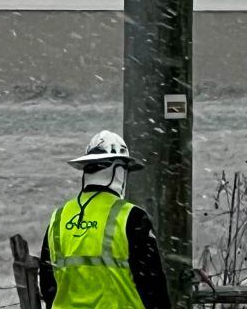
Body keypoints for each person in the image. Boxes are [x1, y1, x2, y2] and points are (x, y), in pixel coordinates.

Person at [39, 131, 171, 309]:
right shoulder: (132, 217)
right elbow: (153, 285)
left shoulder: (59, 218)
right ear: (118, 171)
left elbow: (48, 285)